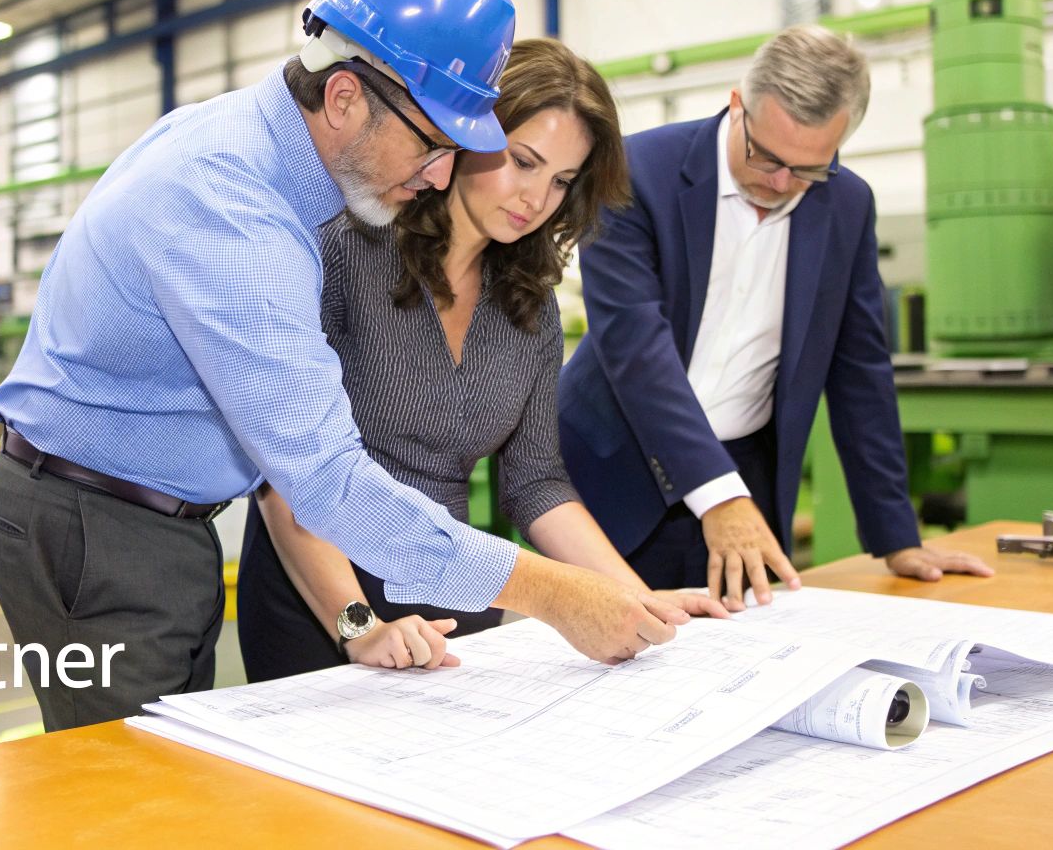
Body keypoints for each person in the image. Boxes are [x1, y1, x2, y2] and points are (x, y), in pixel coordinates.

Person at [0, 0, 692, 732]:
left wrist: (618, 596)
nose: (439, 174)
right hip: (99, 527)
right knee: (125, 787)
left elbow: (528, 478)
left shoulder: (266, 165)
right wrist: (553, 593)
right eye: (431, 145)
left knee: (166, 767)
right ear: (346, 96)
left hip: (159, 522)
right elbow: (319, 479)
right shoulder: (236, 209)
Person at [238, 38, 728, 682]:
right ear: (466, 135)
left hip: (452, 591)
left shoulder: (530, 304)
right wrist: (359, 626)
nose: (536, 198)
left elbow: (536, 483)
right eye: (522, 161)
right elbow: (287, 475)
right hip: (322, 600)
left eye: (561, 181)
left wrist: (636, 598)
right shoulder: (344, 247)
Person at [556, 25, 994, 613]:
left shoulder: (847, 204)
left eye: (809, 169)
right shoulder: (634, 171)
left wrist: (897, 536)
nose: (781, 184)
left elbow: (860, 368)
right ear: (738, 105)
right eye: (766, 157)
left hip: (748, 477)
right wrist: (717, 496)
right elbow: (635, 348)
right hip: (616, 473)